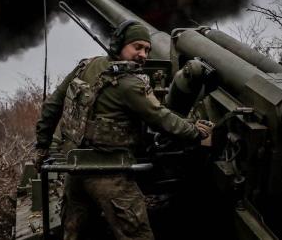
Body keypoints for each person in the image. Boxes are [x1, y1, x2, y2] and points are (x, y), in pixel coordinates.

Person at [34, 20, 213, 240]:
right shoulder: (130, 84)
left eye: (147, 49)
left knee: (75, 232)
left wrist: (42, 146)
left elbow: (53, 105)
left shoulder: (85, 66)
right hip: (110, 174)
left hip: (76, 169)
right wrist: (195, 131)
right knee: (137, 234)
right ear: (119, 45)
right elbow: (161, 119)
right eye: (137, 47)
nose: (143, 55)